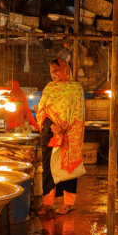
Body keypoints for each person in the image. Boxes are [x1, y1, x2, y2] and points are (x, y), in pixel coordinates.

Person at [37, 58, 86, 216]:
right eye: (51, 70)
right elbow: (42, 111)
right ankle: (47, 202)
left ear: (65, 69)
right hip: (50, 133)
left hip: (70, 134)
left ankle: (69, 203)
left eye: (57, 69)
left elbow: (79, 113)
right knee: (48, 168)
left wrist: (66, 130)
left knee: (68, 168)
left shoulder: (76, 88)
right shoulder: (49, 88)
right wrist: (52, 126)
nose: (54, 73)